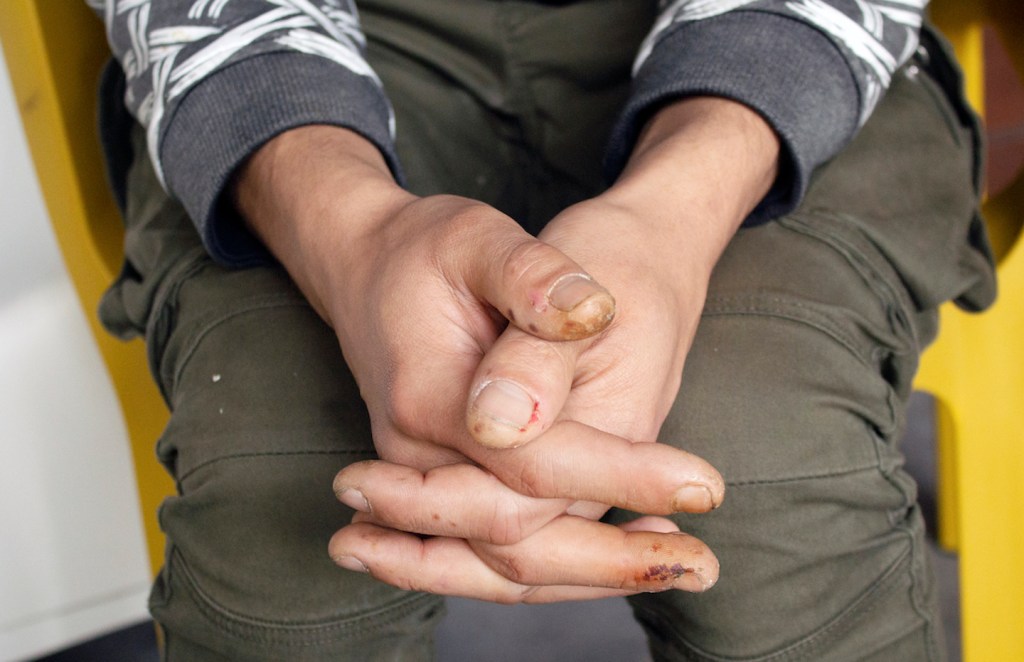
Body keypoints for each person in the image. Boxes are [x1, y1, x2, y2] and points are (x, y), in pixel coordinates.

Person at [90, 0, 995, 659]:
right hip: (300, 58)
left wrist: (677, 213)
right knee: (281, 516)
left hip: (782, 46)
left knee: (769, 468)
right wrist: (350, 232)